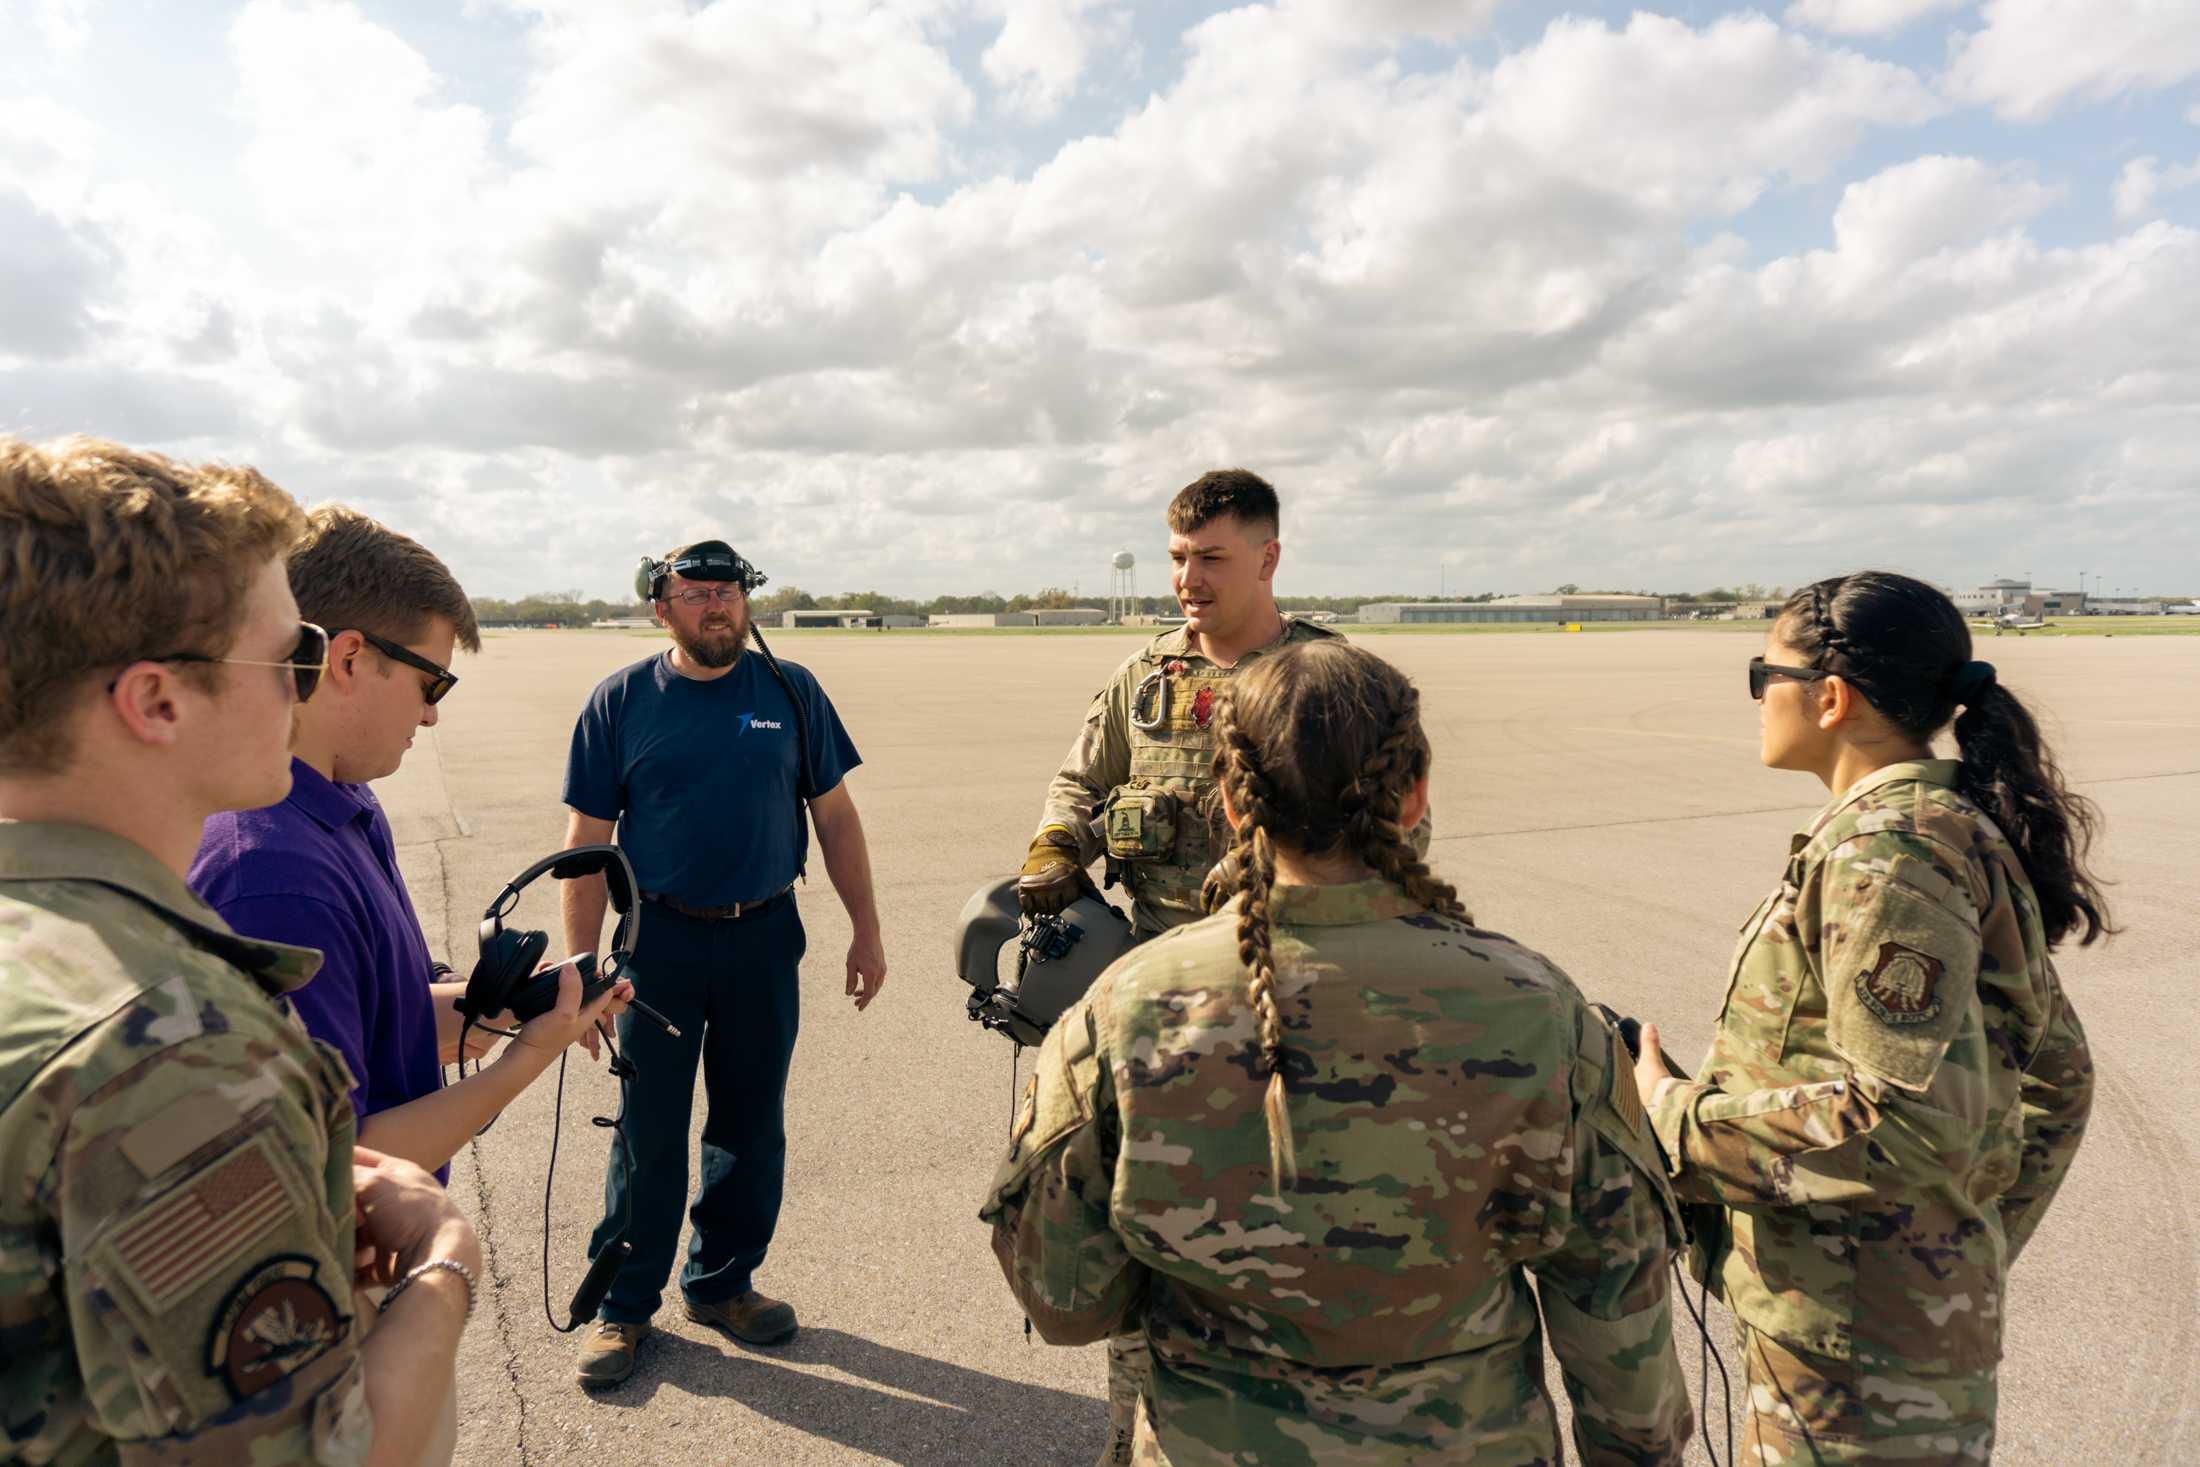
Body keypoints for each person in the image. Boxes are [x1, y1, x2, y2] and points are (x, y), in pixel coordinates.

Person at [985, 639, 1692, 1465]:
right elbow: (1616, 1302)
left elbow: (1065, 1298)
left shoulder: (1128, 1005)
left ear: (1230, 799)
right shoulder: (1541, 1010)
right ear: (1416, 791)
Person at [0, 435, 480, 1466]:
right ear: (156, 701)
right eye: (289, 657)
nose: (302, 689)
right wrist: (446, 1261)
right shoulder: (171, 1047)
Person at [1632, 572, 2100, 1464]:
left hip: (1856, 1367)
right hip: (1881, 1336)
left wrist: (1675, 1117)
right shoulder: (1944, 829)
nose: (1758, 699)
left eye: (1762, 675)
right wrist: (1961, 1249)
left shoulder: (1886, 853)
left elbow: (1906, 1122)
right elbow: (2059, 1074)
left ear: (1832, 696)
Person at [1015, 469, 1431, 1462]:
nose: (1186, 581)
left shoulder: (1333, 681)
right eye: (1176, 559)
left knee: (1298, 1239)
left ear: (1268, 558)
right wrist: (1054, 848)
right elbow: (1081, 777)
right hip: (1163, 1007)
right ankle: (1137, 1440)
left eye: (1210, 559)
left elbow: (1399, 848)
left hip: (1301, 1002)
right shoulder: (1146, 677)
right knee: (1150, 1236)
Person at [191, 505, 630, 1181]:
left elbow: (378, 1022)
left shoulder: (344, 800)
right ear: (349, 656)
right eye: (433, 681)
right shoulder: (273, 875)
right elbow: (327, 1170)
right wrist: (526, 1058)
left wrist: (507, 1006)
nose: (432, 712)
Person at [559, 539, 885, 1385]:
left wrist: (866, 928)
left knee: (749, 1123)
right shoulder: (621, 700)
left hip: (763, 936)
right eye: (697, 592)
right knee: (648, 1131)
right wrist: (578, 972)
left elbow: (837, 818)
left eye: (730, 591)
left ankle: (723, 1282)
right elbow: (587, 847)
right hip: (656, 946)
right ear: (659, 606)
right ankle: (623, 1309)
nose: (718, 606)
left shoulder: (790, 689)